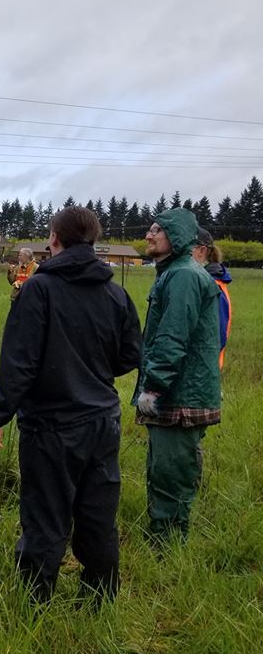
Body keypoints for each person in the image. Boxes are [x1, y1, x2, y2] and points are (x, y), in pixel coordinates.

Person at [0, 207, 141, 602]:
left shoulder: (39, 289)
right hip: (103, 422)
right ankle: (100, 598)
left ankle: (34, 603)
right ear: (91, 240)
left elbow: (20, 361)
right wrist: (92, 371)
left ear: (54, 239)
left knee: (45, 514)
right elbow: (129, 355)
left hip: (51, 426)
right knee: (97, 515)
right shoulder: (115, 292)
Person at [134, 208, 221, 545]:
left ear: (179, 237)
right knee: (163, 467)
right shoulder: (174, 273)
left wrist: (153, 388)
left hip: (180, 395)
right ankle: (162, 536)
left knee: (172, 471)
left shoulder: (184, 275)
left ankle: (167, 545)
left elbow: (172, 338)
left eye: (158, 229)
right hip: (178, 391)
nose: (149, 235)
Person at [191, 228, 232, 369]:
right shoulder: (205, 281)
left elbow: (216, 335)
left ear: (201, 251)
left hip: (202, 372)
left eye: (187, 248)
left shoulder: (212, 286)